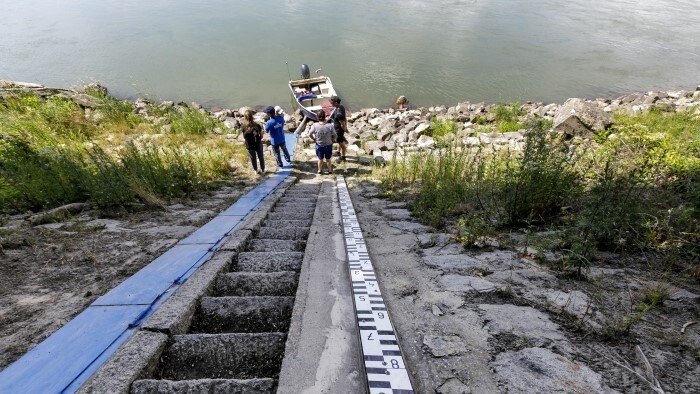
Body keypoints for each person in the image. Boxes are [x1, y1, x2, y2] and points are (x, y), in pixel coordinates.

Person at [309, 109, 337, 175]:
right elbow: (335, 135)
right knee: (328, 159)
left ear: (317, 117)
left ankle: (319, 170)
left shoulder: (315, 125)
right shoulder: (330, 125)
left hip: (319, 145)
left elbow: (309, 134)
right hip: (328, 145)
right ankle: (330, 171)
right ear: (325, 117)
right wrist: (333, 140)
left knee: (320, 159)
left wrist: (314, 139)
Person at [240, 108, 265, 174]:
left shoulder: (243, 127)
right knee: (260, 157)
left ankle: (255, 170)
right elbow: (261, 136)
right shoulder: (257, 126)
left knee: (253, 158)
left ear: (245, 118)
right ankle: (263, 170)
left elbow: (244, 136)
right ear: (252, 116)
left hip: (249, 145)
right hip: (257, 143)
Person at [329, 96, 348, 162]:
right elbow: (345, 118)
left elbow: (342, 123)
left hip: (338, 130)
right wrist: (346, 127)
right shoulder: (341, 107)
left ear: (336, 103)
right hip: (338, 129)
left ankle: (343, 156)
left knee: (341, 143)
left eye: (332, 103)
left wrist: (345, 128)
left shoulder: (339, 113)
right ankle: (338, 151)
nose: (331, 104)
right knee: (339, 141)